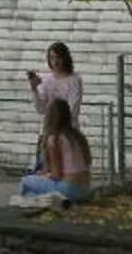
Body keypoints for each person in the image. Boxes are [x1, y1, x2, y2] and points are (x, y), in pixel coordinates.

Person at [26, 43, 87, 184]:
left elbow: (73, 109)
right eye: (52, 58)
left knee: (66, 169)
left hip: (68, 132)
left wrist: (58, 124)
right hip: (48, 131)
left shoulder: (74, 80)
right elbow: (40, 109)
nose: (56, 62)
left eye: (59, 57)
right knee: (46, 170)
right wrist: (34, 89)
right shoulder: (46, 81)